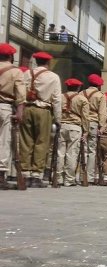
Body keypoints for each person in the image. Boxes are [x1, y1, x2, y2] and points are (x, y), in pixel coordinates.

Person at [19, 52, 61, 188]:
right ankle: (36, 175)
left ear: (36, 61)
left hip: (27, 108)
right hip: (44, 110)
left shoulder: (27, 74)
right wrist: (58, 118)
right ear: (48, 63)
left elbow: (20, 92)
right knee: (41, 142)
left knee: (26, 141)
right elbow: (56, 99)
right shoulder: (53, 77)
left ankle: (24, 173)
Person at [0, 44, 26, 189]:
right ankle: (0, 174)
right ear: (11, 56)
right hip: (5, 106)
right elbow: (20, 94)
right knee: (4, 140)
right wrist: (20, 111)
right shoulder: (15, 71)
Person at [56, 78, 89, 186]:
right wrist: (86, 131)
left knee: (60, 153)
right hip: (75, 127)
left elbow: (56, 111)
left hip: (62, 126)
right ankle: (69, 179)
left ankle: (58, 178)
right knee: (72, 154)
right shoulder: (82, 99)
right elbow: (85, 117)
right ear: (78, 87)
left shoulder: (60, 97)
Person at [82, 73, 106, 185]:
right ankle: (90, 176)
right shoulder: (100, 95)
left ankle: (81, 174)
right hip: (93, 123)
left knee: (82, 150)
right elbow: (102, 113)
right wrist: (102, 127)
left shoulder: (81, 93)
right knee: (92, 151)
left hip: (82, 123)